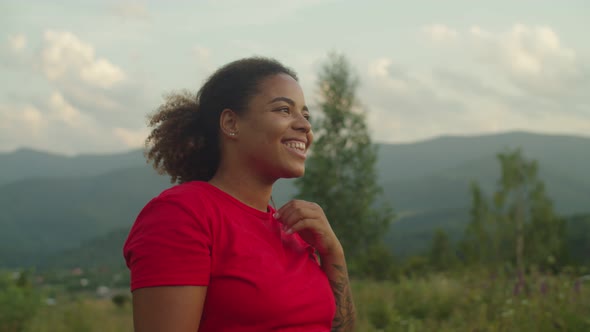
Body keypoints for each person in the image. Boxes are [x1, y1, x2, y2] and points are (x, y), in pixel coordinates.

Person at [123, 57, 356, 332]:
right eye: (284, 110)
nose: (304, 126)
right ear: (231, 122)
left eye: (306, 115)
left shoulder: (293, 230)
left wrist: (333, 253)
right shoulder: (182, 214)